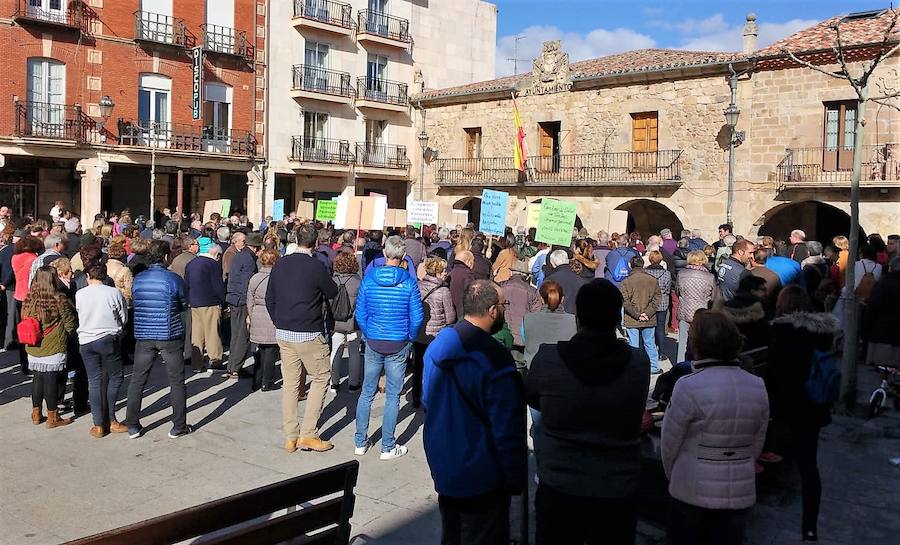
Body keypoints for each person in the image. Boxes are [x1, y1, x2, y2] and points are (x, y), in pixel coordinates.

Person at [526, 279, 649, 545]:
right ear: (617, 318)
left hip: (562, 484)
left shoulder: (548, 359)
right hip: (615, 486)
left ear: (578, 317)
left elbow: (534, 400)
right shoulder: (639, 362)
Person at [423, 279, 526, 545]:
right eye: (503, 305)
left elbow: (427, 400)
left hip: (446, 465)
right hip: (482, 474)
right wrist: (514, 476)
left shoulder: (437, 344)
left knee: (453, 534)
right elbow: (507, 426)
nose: (504, 309)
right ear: (492, 310)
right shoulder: (494, 357)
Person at [662, 311, 769, 545]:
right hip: (737, 493)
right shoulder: (757, 385)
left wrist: (676, 476)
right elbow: (757, 442)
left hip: (691, 490)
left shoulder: (688, 386)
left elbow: (669, 444)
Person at [769, 286, 837, 543]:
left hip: (785, 407)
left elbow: (776, 372)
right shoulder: (822, 332)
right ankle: (809, 528)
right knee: (809, 466)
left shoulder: (780, 331)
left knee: (776, 456)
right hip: (813, 406)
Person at [266, 223, 338, 454]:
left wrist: (279, 320)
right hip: (308, 331)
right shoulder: (316, 267)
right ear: (316, 243)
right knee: (320, 377)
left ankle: (290, 436)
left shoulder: (280, 264)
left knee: (291, 383)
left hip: (284, 332)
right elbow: (333, 292)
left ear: (296, 240)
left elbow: (270, 298)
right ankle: (308, 434)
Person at [354, 236, 424, 460]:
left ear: (385, 254)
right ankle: (387, 446)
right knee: (392, 395)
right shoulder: (409, 282)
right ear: (402, 256)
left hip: (375, 339)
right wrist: (410, 337)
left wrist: (367, 332)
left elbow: (360, 312)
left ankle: (360, 441)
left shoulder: (370, 279)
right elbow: (417, 316)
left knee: (367, 392)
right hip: (398, 341)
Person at [126, 240, 192, 439]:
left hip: (144, 333)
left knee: (138, 380)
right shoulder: (173, 279)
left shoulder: (139, 279)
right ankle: (178, 425)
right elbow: (183, 303)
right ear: (165, 257)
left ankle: (132, 424)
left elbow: (135, 302)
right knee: (177, 381)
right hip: (168, 333)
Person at [76, 263, 129, 438]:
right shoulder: (113, 292)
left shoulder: (80, 294)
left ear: (88, 277)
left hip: (86, 339)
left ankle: (98, 423)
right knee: (115, 376)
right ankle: (111, 419)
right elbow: (123, 315)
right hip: (107, 336)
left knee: (94, 380)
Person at [23, 266, 78, 429]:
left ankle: (36, 413)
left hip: (33, 344)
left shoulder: (29, 298)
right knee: (51, 380)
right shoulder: (59, 299)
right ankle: (53, 416)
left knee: (37, 378)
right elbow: (70, 323)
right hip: (53, 344)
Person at [414, 256, 455, 408]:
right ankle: (429, 398)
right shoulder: (444, 291)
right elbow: (450, 318)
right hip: (436, 334)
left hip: (419, 331)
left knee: (417, 366)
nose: (446, 273)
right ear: (437, 272)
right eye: (443, 271)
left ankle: (415, 397)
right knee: (432, 368)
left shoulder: (417, 285)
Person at [185, 239, 225, 373]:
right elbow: (217, 285)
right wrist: (222, 300)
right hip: (210, 301)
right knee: (212, 332)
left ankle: (197, 363)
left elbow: (187, 283)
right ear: (217, 255)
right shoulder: (212, 264)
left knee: (197, 333)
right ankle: (215, 361)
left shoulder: (191, 263)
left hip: (194, 302)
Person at [224, 232, 261, 378]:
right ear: (256, 248)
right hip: (241, 300)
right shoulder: (248, 259)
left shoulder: (240, 255)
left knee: (236, 334)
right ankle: (236, 368)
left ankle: (232, 366)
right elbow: (247, 284)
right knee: (242, 335)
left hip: (234, 298)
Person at [675, 250, 718, 363]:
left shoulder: (681, 274)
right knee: (699, 342)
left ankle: (680, 365)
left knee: (682, 342)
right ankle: (698, 364)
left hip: (685, 311)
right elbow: (713, 297)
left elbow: (677, 291)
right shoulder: (710, 277)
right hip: (701, 313)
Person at [620, 256, 661, 374]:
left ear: (630, 265)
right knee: (650, 343)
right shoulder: (652, 280)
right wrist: (647, 313)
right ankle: (653, 366)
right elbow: (657, 298)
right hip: (649, 317)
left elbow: (625, 301)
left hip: (632, 318)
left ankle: (635, 367)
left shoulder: (626, 281)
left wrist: (637, 315)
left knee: (634, 345)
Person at [247, 249, 280, 392]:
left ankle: (257, 380)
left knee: (259, 351)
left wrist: (251, 314)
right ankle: (268, 382)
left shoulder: (254, 278)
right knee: (271, 351)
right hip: (272, 314)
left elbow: (249, 299)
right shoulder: (279, 278)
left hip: (257, 313)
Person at [329, 251, 362, 391]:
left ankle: (334, 382)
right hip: (353, 322)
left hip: (335, 321)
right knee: (354, 352)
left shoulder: (332, 281)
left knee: (336, 350)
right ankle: (353, 383)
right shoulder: (358, 282)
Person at [13, 235, 44, 375]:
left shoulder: (15, 258)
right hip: (29, 296)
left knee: (22, 330)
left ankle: (23, 364)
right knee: (33, 328)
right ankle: (32, 360)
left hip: (18, 294)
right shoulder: (33, 259)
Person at [713, 275, 770, 351]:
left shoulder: (726, 306)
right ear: (752, 291)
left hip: (729, 351)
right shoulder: (760, 309)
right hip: (755, 352)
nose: (766, 293)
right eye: (763, 289)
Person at [862, 257, 900, 368]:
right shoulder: (882, 283)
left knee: (882, 369)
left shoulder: (882, 284)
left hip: (881, 333)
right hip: (894, 333)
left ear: (890, 268)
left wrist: (865, 330)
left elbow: (872, 308)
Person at [645, 250, 673, 362]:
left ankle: (649, 351)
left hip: (649, 302)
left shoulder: (646, 272)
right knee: (660, 328)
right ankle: (661, 352)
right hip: (662, 302)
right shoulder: (666, 274)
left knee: (649, 328)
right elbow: (667, 289)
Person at [544, 250, 585, 314]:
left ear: (553, 264)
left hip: (557, 318)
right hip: (576, 319)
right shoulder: (581, 280)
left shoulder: (550, 280)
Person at [749, 247, 781, 318]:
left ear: (753, 259)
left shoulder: (747, 274)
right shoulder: (775, 275)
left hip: (750, 314)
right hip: (768, 313)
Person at [0, 226, 17, 350]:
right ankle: (8, 342)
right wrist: (5, 283)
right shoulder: (14, 250)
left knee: (5, 314)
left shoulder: (4, 250)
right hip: (10, 286)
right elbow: (11, 270)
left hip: (4, 284)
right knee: (10, 315)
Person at [448, 249, 477, 319]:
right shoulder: (468, 274)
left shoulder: (451, 273)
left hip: (451, 310)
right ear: (468, 261)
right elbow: (471, 295)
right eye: (473, 261)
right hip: (462, 313)